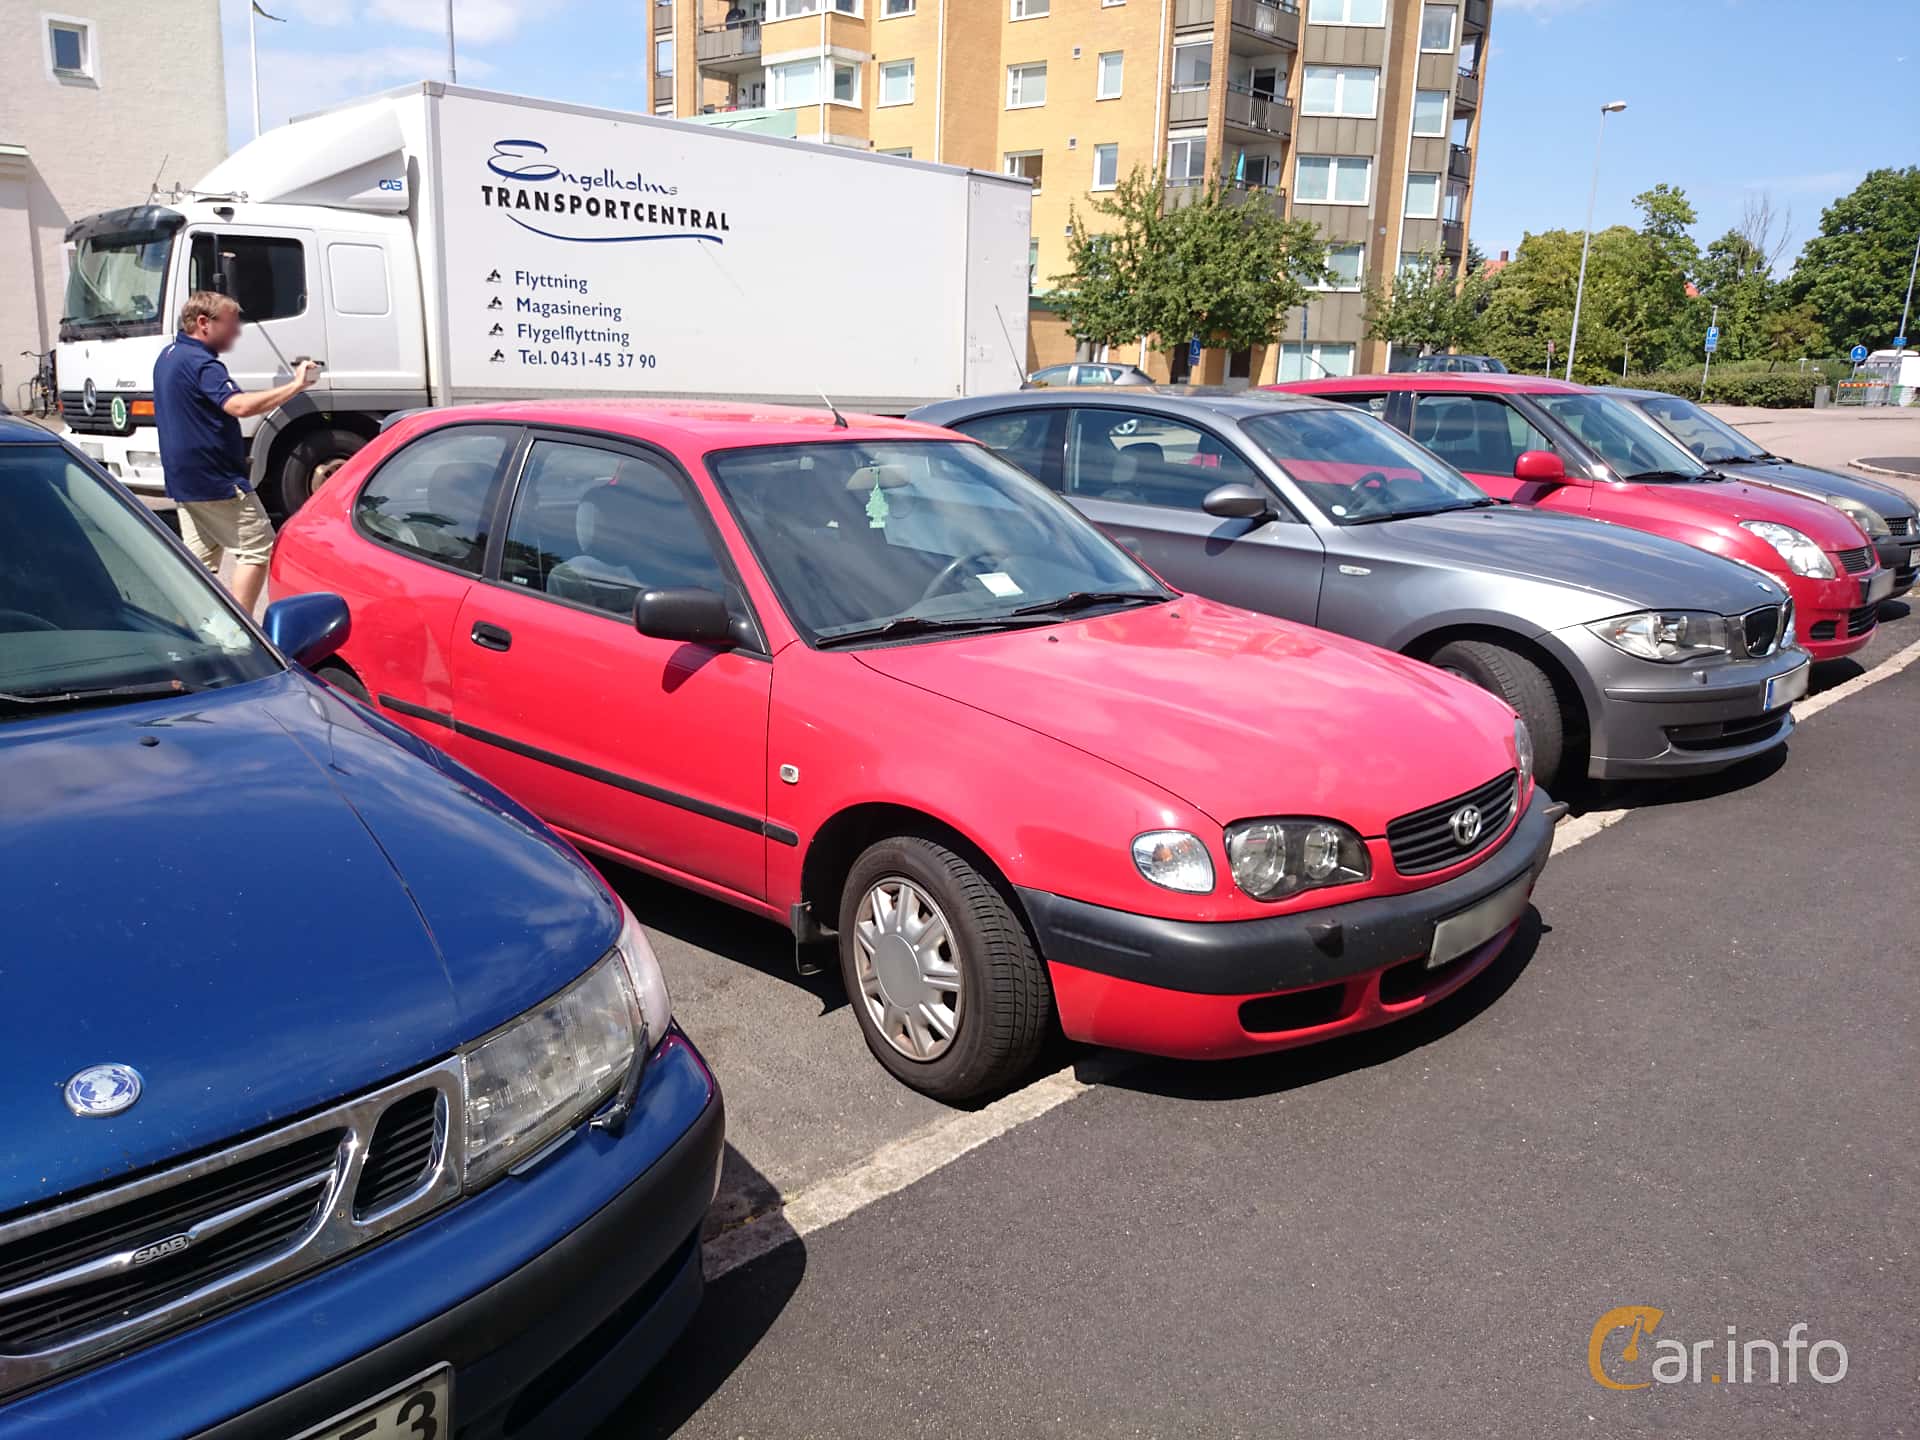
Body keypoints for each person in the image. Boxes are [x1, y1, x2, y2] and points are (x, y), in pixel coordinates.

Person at [152, 292, 318, 613]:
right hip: (215, 478)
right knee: (258, 547)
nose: (237, 332)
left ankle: (196, 629)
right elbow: (238, 406)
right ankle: (239, 634)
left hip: (183, 478)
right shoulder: (203, 364)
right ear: (204, 323)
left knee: (199, 561)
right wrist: (295, 386)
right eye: (231, 325)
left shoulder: (168, 356)